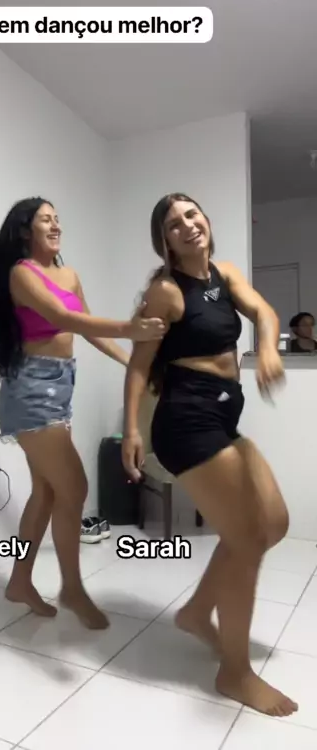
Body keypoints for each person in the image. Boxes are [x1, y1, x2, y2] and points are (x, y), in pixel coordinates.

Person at [122, 193, 298, 717]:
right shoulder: (166, 292)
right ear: (165, 241)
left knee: (274, 523)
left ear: (205, 221)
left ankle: (198, 612)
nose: (187, 225)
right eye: (174, 224)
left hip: (222, 417)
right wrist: (131, 430)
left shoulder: (226, 274)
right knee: (246, 538)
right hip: (186, 422)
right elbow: (139, 364)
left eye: (191, 215)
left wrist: (266, 347)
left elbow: (263, 311)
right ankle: (234, 672)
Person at [0, 196, 165, 629]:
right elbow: (63, 319)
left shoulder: (68, 274)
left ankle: (19, 582)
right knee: (75, 487)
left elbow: (87, 328)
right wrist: (130, 328)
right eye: (45, 220)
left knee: (47, 492)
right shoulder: (21, 273)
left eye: (57, 219)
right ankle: (72, 588)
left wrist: (132, 362)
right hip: (30, 389)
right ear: (25, 230)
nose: (55, 226)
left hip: (61, 387)